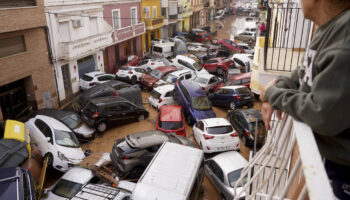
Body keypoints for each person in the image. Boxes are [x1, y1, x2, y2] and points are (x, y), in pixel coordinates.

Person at [259, 0, 350, 199]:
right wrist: (275, 91)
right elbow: (302, 74)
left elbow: (322, 114)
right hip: (331, 159)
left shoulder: (344, 37)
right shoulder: (329, 28)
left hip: (344, 170)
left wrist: (273, 94)